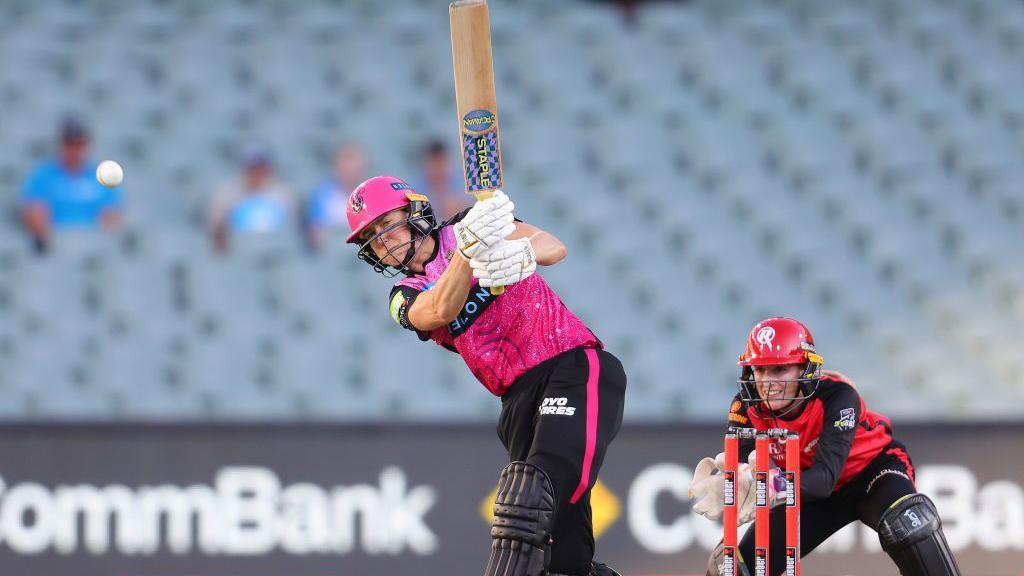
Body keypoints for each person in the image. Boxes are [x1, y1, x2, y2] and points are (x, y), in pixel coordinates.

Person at [345, 176, 626, 576]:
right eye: (371, 237)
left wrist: (520, 253)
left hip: (572, 367)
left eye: (385, 224)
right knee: (561, 557)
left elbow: (553, 246)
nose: (382, 241)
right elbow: (439, 310)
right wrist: (469, 252)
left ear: (412, 212)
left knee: (527, 501)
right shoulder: (403, 295)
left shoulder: (470, 225)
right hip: (516, 402)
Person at [690, 317, 962, 576]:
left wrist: (771, 486)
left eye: (779, 369)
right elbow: (743, 464)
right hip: (805, 491)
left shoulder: (838, 396)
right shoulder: (745, 406)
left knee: (911, 523)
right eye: (760, 370)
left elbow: (824, 479)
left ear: (804, 368)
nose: (767, 383)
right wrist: (736, 483)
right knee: (730, 566)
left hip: (871, 474)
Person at [21, 117, 122, 253]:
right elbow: (35, 212)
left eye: (79, 144)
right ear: (61, 144)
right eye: (69, 144)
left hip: (93, 244)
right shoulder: (42, 176)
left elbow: (111, 215)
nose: (74, 150)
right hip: (54, 243)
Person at [207, 146, 295, 253]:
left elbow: (290, 231)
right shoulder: (227, 194)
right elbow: (216, 228)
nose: (257, 174)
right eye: (253, 169)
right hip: (238, 251)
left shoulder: (282, 194)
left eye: (261, 169)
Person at [305, 143, 367, 251]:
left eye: (356, 160)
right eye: (348, 159)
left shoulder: (371, 194)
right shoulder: (321, 196)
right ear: (336, 164)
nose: (353, 166)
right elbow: (317, 237)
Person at [413, 138, 466, 219]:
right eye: (435, 164)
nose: (439, 169)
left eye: (442, 163)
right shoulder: (415, 190)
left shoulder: (462, 183)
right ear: (425, 165)